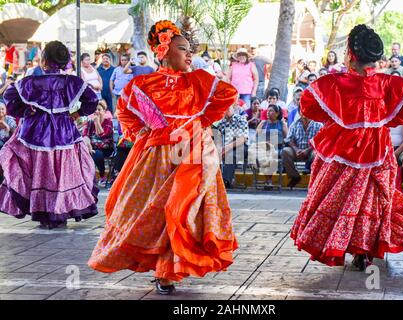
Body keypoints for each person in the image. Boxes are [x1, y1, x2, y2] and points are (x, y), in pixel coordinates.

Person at [88, 20, 239, 295]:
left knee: (183, 209)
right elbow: (124, 111)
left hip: (192, 155)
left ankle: (168, 270)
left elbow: (227, 95)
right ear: (163, 51)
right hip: (156, 157)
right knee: (156, 213)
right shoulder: (144, 84)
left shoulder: (199, 81)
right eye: (182, 49)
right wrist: (142, 130)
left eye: (189, 49)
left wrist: (200, 122)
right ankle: (163, 270)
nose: (189, 54)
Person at [290, 24, 403, 271]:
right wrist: (384, 119)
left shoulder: (335, 82)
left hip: (343, 149)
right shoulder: (387, 83)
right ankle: (364, 249)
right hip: (377, 149)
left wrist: (336, 118)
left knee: (338, 198)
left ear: (352, 55)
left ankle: (345, 244)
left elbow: (308, 104)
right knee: (372, 200)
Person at [0, 40, 99, 229]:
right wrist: (77, 113)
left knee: (40, 171)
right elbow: (92, 99)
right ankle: (60, 210)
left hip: (35, 132)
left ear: (44, 60)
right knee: (63, 171)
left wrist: (26, 111)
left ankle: (43, 210)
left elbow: (10, 96)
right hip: (64, 132)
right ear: (64, 62)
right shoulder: (73, 82)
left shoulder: (29, 82)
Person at [282, 114, 322, 188]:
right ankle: (295, 176)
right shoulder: (295, 124)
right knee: (285, 151)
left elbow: (320, 141)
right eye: (302, 110)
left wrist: (307, 150)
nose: (304, 112)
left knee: (316, 154)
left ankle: (314, 178)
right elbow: (289, 139)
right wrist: (296, 149)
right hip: (297, 150)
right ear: (299, 112)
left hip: (311, 150)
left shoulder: (318, 124)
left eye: (306, 110)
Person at [215, 103, 249, 188]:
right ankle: (217, 180)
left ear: (233, 108)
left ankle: (225, 181)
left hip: (241, 146)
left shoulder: (240, 119)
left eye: (228, 108)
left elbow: (243, 138)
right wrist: (219, 150)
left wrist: (226, 148)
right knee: (215, 154)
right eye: (224, 109)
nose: (226, 110)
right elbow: (218, 139)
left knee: (230, 155)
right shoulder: (221, 122)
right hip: (226, 148)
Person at [255, 104, 288, 189]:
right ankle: (268, 180)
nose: (268, 112)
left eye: (271, 111)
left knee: (272, 154)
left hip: (278, 147)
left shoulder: (282, 123)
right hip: (265, 147)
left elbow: (287, 137)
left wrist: (275, 141)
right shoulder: (263, 123)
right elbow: (257, 136)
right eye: (267, 111)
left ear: (277, 113)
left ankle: (268, 180)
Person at [83, 101, 114, 188]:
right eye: (95, 110)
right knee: (89, 153)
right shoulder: (89, 122)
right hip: (93, 147)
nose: (96, 112)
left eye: (99, 110)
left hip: (106, 148)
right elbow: (85, 135)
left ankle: (102, 175)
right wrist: (88, 143)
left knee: (97, 154)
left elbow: (102, 135)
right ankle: (86, 178)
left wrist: (96, 123)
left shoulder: (108, 122)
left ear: (104, 111)